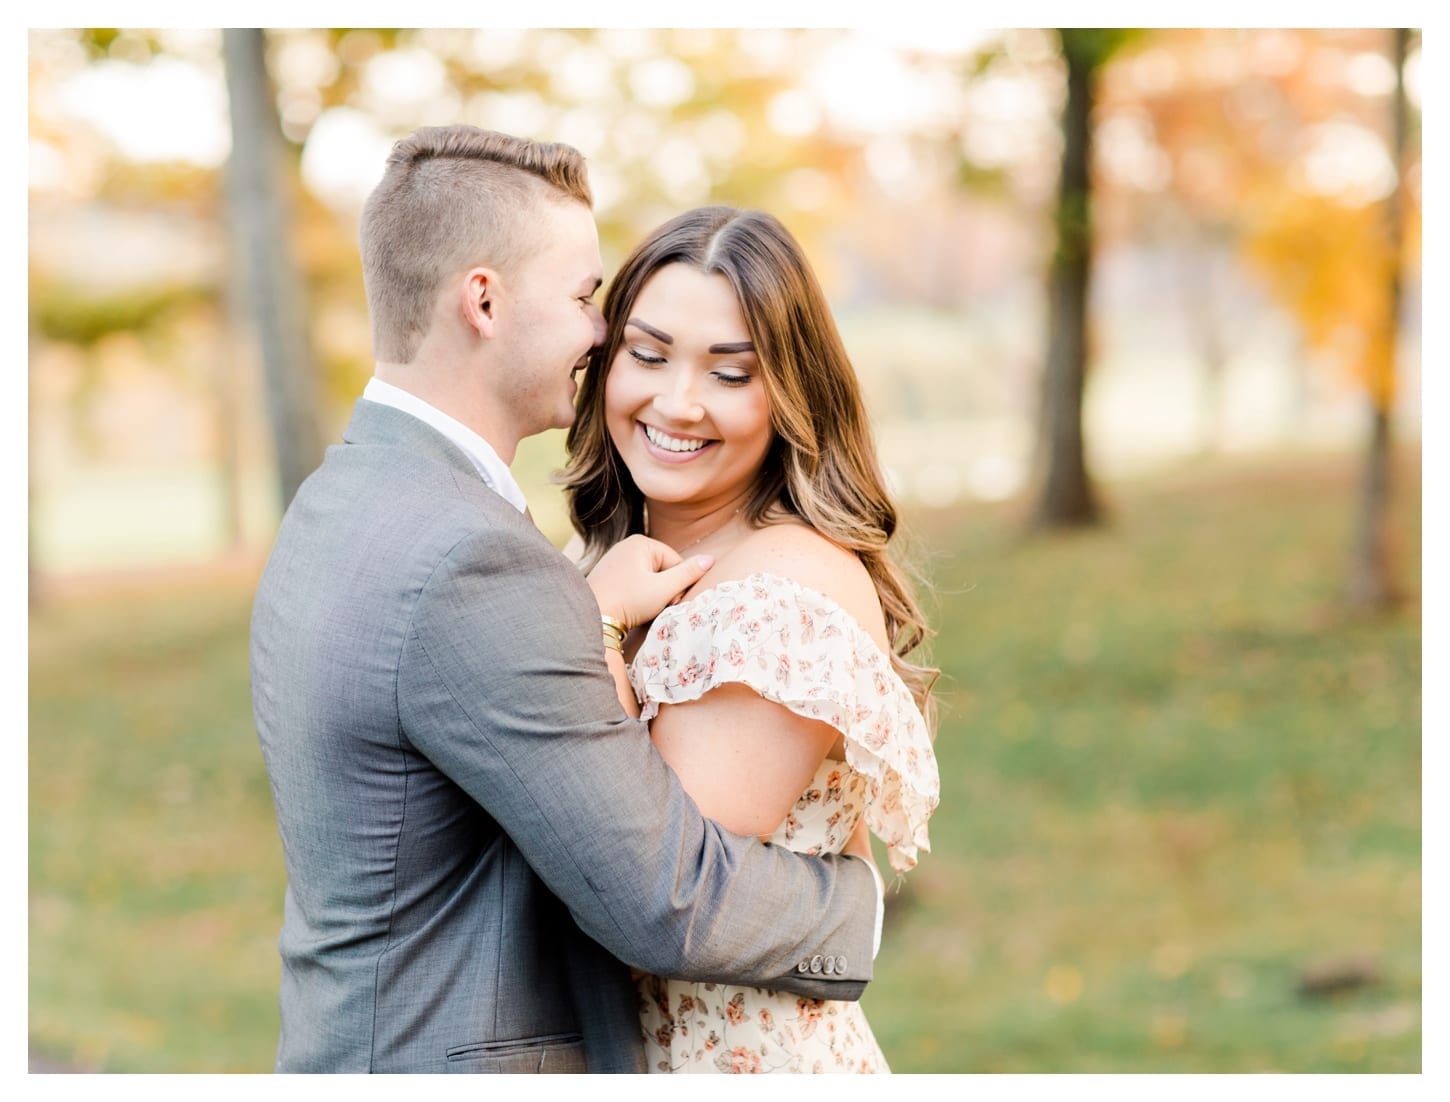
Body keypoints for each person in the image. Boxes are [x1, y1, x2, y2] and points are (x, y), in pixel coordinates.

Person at [249, 126, 885, 1074]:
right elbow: (665, 898)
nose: (596, 334)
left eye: (728, 368)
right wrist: (858, 904)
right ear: (485, 300)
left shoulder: (342, 498)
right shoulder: (472, 559)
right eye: (590, 301)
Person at [563, 206, 941, 1073]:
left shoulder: (776, 597)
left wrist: (595, 629)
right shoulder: (627, 562)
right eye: (648, 355)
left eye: (729, 374)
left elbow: (645, 887)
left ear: (788, 395)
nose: (677, 402)